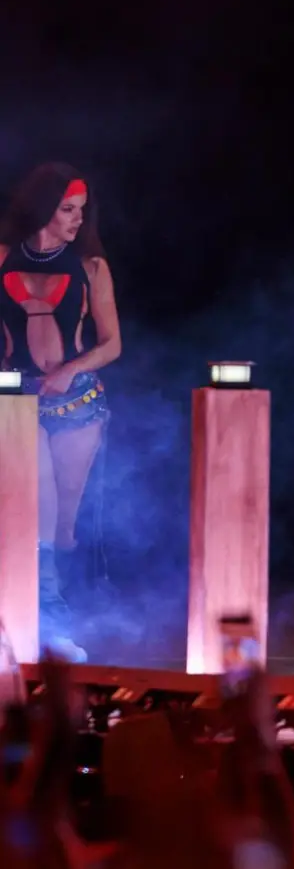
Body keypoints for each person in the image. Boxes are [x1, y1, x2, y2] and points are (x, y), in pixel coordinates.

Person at [0, 163, 121, 651]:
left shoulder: (91, 267)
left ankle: (61, 610)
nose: (78, 218)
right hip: (18, 403)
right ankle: (47, 619)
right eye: (68, 208)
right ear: (44, 205)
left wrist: (71, 369)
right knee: (37, 508)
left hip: (77, 403)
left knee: (63, 525)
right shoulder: (2, 257)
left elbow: (112, 343)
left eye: (81, 210)